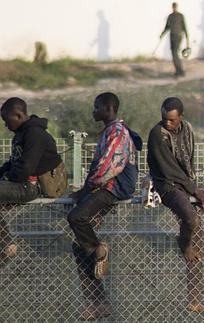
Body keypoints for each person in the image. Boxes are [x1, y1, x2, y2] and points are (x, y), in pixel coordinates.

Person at [67, 92, 141, 320]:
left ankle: (99, 249)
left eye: (96, 107)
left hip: (113, 186)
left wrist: (88, 189)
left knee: (77, 218)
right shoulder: (109, 131)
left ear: (109, 109)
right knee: (80, 241)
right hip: (107, 185)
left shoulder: (117, 132)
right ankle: (98, 300)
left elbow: (107, 167)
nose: (93, 111)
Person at [147, 97, 204, 317]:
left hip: (185, 183)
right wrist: (195, 190)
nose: (167, 123)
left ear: (181, 118)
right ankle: (183, 243)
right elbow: (168, 170)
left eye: (171, 120)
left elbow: (187, 161)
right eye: (164, 119)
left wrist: (192, 186)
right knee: (191, 220)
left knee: (199, 243)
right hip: (167, 185)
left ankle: (195, 301)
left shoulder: (187, 129)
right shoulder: (157, 134)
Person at [0, 97, 63, 267]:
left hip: (30, 187)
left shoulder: (35, 134)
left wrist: (6, 178)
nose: (6, 125)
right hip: (21, 182)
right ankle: (5, 243)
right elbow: (13, 164)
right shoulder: (22, 133)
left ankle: (5, 243)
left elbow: (25, 169)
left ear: (18, 115)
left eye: (7, 121)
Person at [160, 2, 190, 77]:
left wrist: (187, 37)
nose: (174, 8)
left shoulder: (180, 16)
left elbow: (184, 27)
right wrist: (162, 34)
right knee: (174, 54)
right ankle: (178, 71)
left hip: (178, 36)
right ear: (172, 7)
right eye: (173, 7)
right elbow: (167, 27)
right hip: (172, 36)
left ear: (176, 7)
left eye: (175, 7)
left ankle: (180, 71)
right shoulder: (170, 16)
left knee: (175, 53)